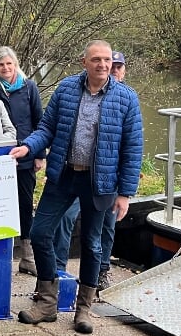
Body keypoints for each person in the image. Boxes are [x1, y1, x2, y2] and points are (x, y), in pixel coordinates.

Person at [10, 40, 143, 334]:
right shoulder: (67, 89)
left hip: (101, 182)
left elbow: (133, 148)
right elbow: (46, 128)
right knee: (40, 232)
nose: (103, 65)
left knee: (93, 245)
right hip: (65, 174)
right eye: (96, 59)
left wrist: (125, 193)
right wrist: (28, 148)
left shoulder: (126, 98)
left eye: (107, 60)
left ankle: (84, 308)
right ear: (84, 61)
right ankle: (47, 302)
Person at [53, 50, 129, 290]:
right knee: (65, 219)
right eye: (109, 64)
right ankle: (57, 271)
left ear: (123, 70)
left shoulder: (125, 99)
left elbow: (132, 146)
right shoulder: (77, 90)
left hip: (108, 181)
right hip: (76, 174)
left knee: (105, 227)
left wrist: (126, 188)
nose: (112, 69)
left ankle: (101, 272)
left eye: (117, 66)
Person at [0, 46, 45, 277]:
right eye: (1, 65)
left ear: (16, 64)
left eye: (9, 64)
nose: (6, 68)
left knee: (24, 204)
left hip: (26, 156)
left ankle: (27, 256)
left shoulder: (29, 87)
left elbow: (40, 122)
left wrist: (40, 154)